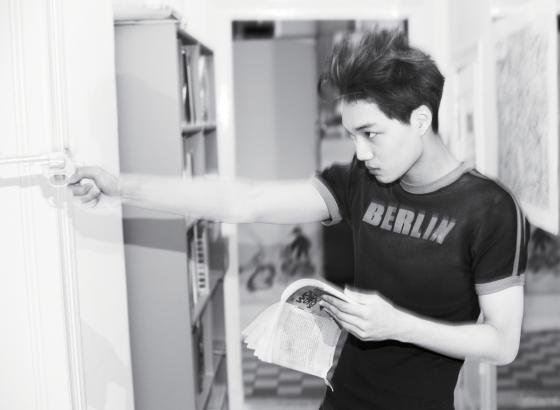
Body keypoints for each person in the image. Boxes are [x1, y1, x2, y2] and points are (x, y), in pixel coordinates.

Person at [68, 29, 529, 410]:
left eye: (371, 133)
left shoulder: (490, 208)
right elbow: (247, 200)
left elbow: (502, 343)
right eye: (352, 135)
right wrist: (119, 186)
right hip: (341, 398)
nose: (360, 152)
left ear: (421, 119)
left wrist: (398, 326)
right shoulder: (360, 181)